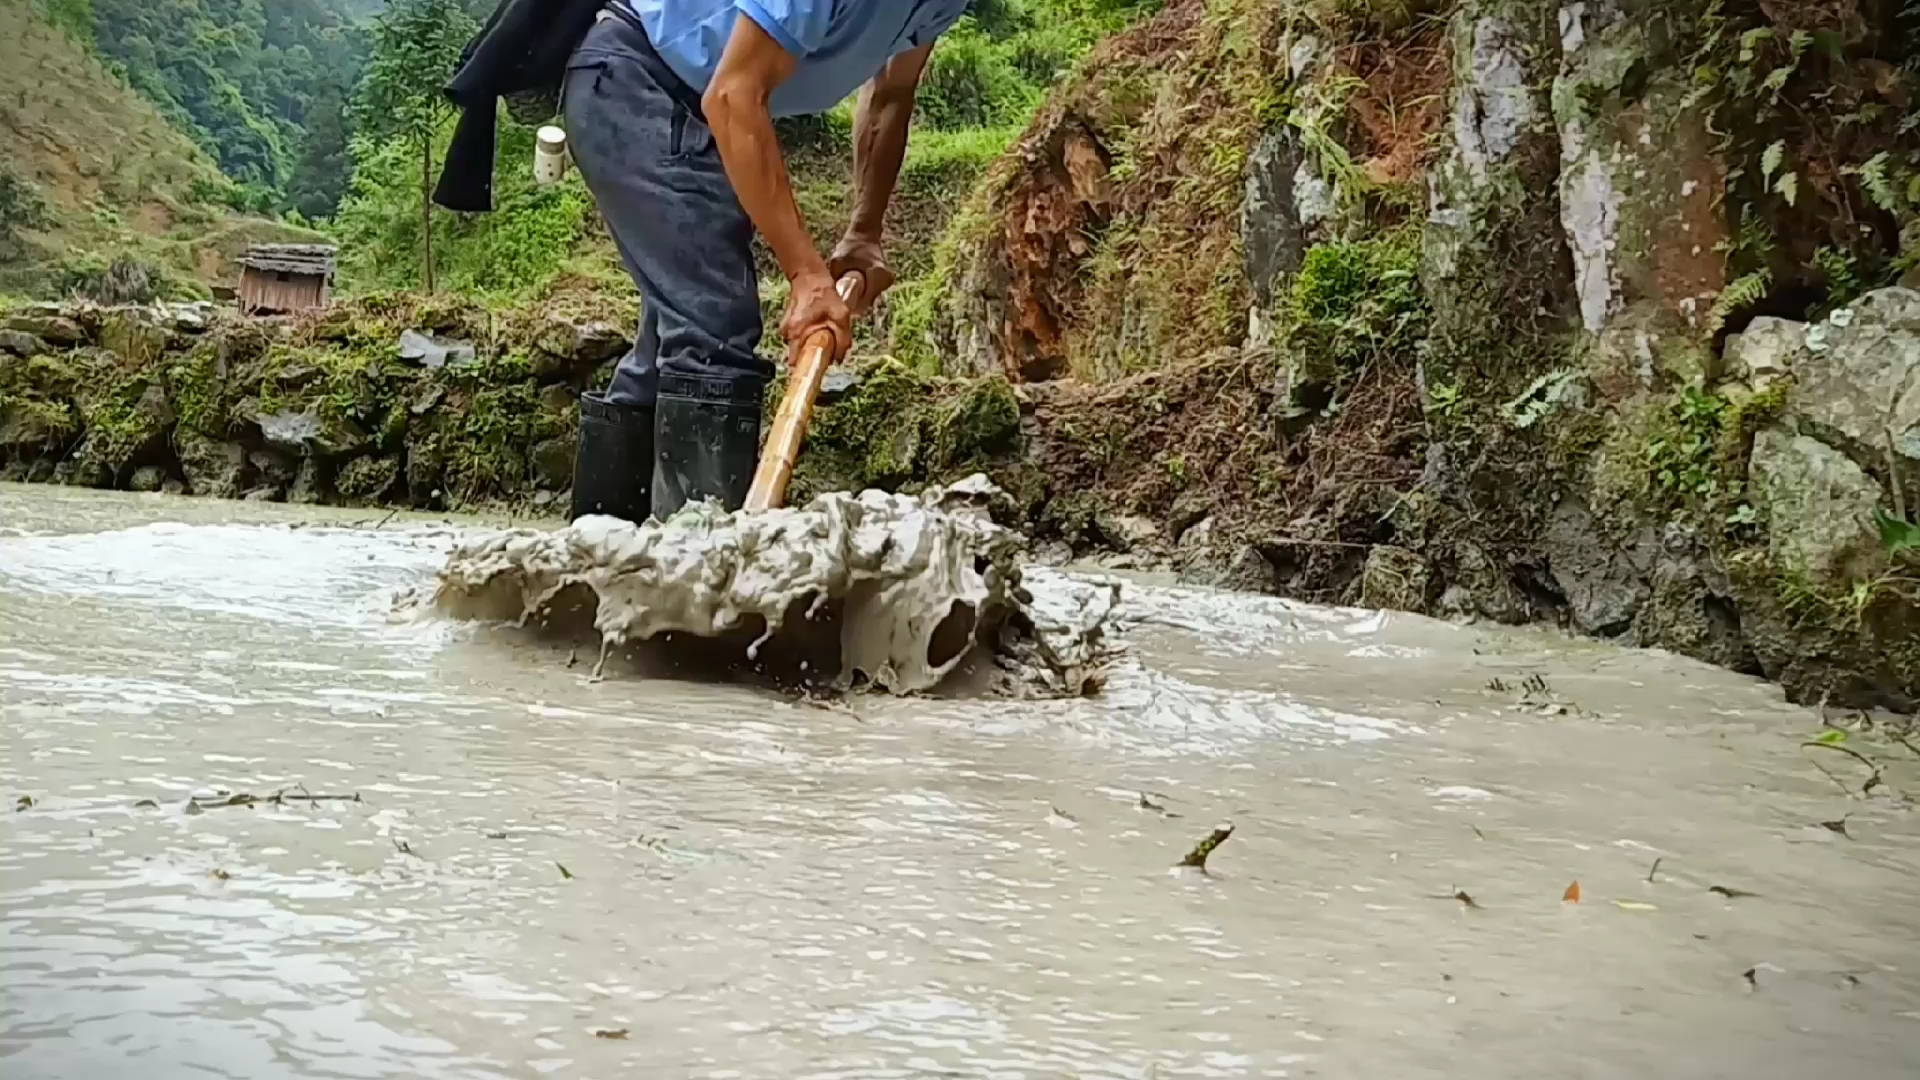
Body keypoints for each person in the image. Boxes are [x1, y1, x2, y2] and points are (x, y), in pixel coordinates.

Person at [548, 0, 971, 522]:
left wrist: (864, 231)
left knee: (674, 343)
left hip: (699, 104)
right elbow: (733, 96)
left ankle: (597, 567)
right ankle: (697, 579)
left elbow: (891, 93)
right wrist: (807, 276)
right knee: (711, 327)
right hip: (639, 80)